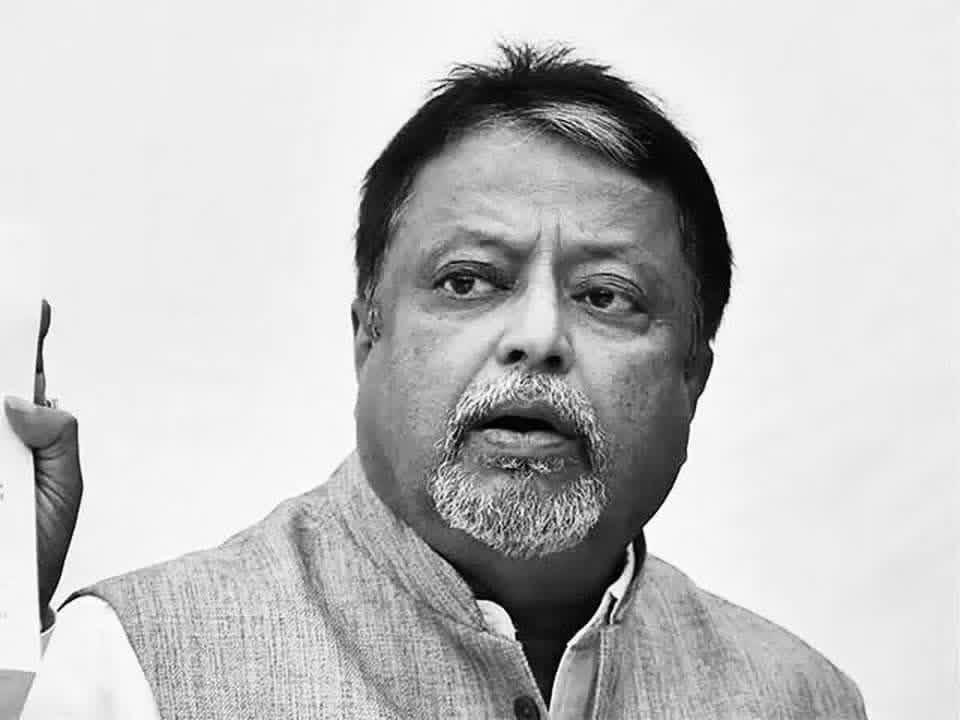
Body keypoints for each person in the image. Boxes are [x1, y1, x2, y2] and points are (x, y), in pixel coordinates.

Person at [5, 43, 867, 719]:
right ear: (365, 336)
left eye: (607, 296)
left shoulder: (801, 699)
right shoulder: (131, 665)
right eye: (467, 281)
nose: (538, 338)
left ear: (694, 377)